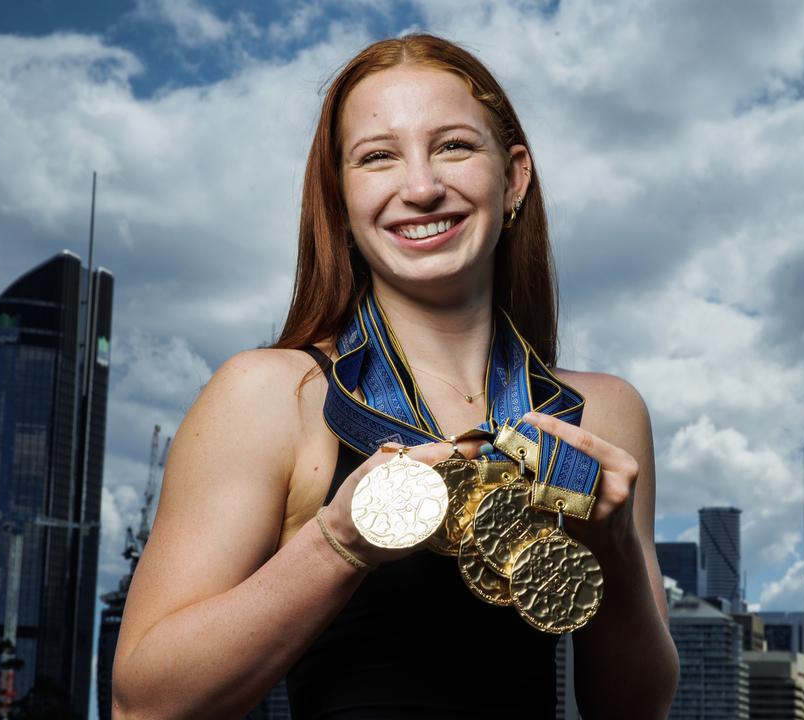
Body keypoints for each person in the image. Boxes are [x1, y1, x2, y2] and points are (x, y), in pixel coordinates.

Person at [111, 34, 678, 719]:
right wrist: (338, 545)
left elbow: (634, 711)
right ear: (341, 198)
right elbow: (144, 706)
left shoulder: (602, 412)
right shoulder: (269, 396)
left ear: (515, 178)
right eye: (378, 157)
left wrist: (613, 549)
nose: (421, 187)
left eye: (455, 147)